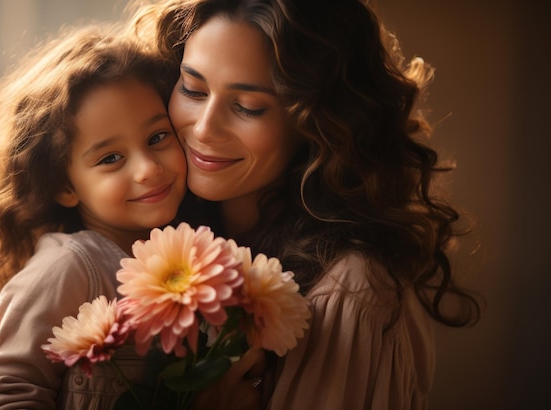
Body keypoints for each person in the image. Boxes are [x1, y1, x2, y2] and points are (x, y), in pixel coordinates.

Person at [125, 0, 482, 408]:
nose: (204, 128)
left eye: (248, 107)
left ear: (315, 123)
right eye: (192, 89)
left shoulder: (348, 290)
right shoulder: (160, 228)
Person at [0, 20, 186, 409]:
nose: (147, 168)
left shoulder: (193, 251)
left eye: (157, 137)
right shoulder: (67, 269)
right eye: (111, 158)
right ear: (64, 186)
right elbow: (11, 394)